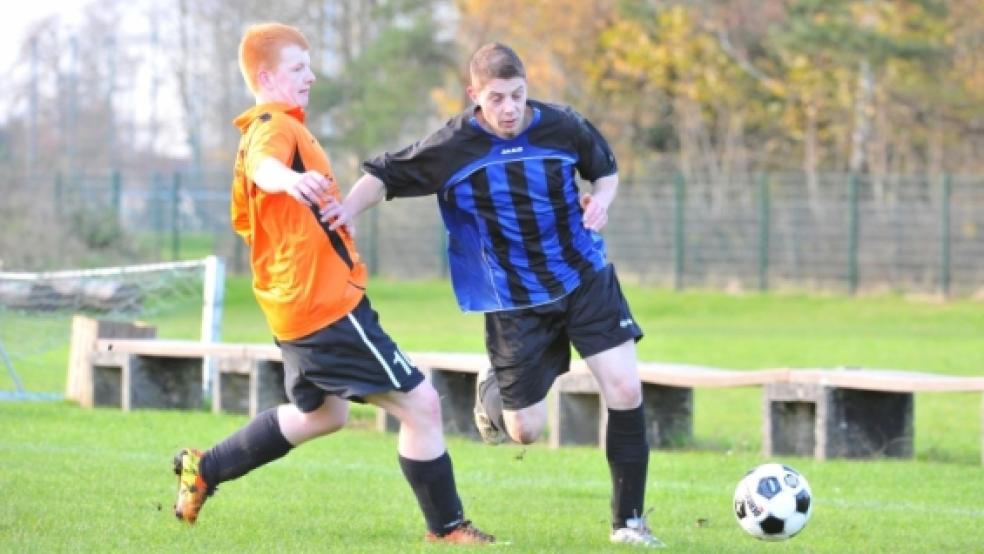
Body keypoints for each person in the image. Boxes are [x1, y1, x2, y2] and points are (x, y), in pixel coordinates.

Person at [324, 42, 662, 548]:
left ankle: (629, 525)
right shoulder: (454, 144)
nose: (509, 109)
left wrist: (602, 204)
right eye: (497, 98)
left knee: (626, 389)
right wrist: (346, 213)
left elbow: (605, 171)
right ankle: (493, 388)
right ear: (474, 95)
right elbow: (384, 175)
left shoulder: (563, 125)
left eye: (518, 95)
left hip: (583, 276)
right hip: (513, 298)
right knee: (524, 430)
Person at [171, 22, 494, 545]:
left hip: (295, 306)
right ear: (265, 76)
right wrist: (291, 180)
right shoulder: (272, 127)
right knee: (422, 405)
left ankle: (205, 468)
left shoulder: (282, 127)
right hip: (325, 309)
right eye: (298, 68)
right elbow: (263, 168)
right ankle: (448, 528)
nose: (311, 77)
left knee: (321, 414)